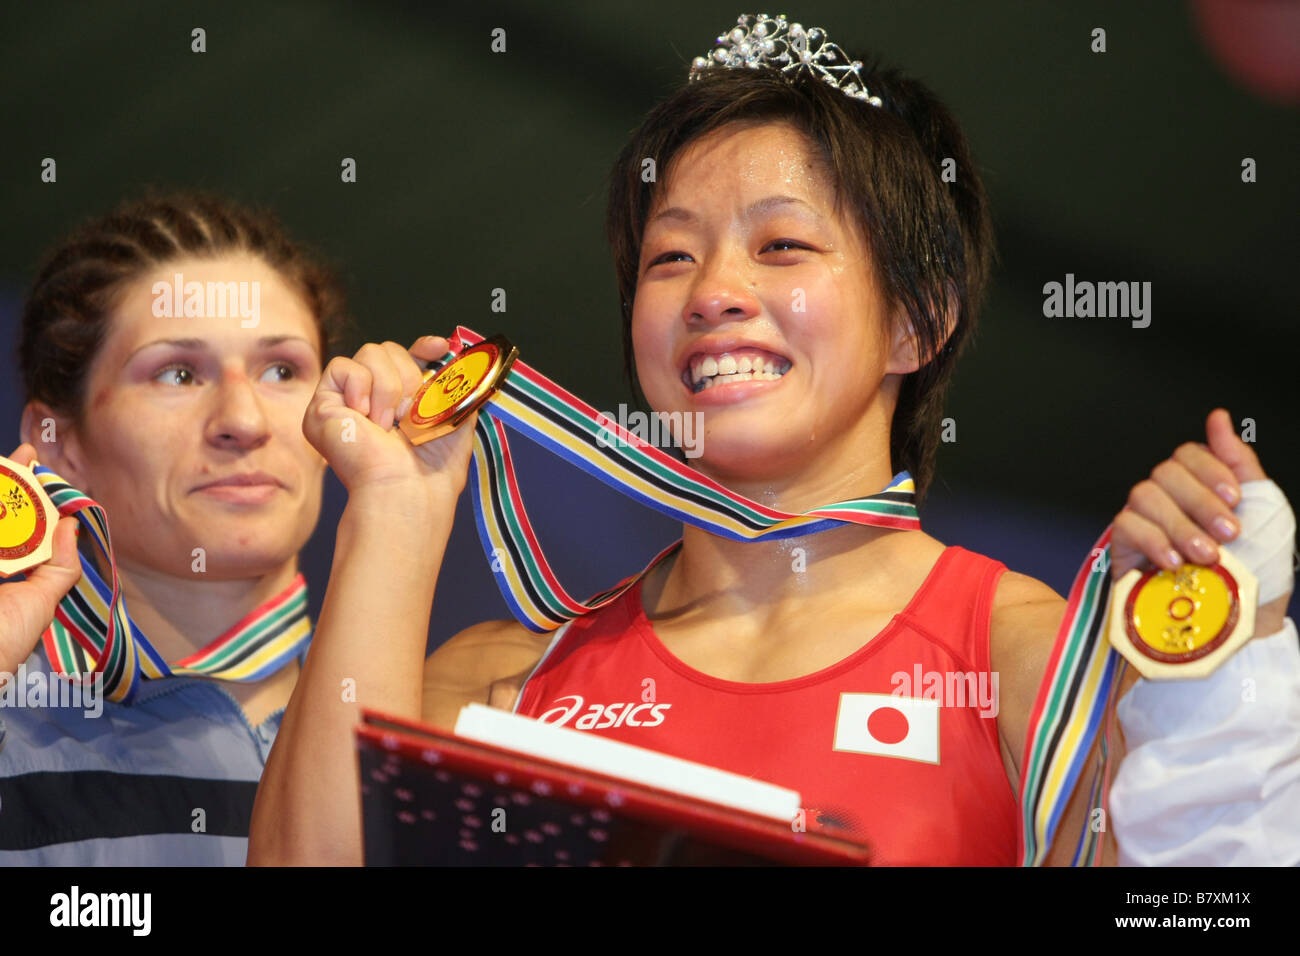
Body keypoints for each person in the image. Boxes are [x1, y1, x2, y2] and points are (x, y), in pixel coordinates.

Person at [248, 15, 1296, 866]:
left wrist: (1224, 659)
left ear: (915, 321)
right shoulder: (498, 683)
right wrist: (394, 509)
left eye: (782, 244)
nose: (713, 294)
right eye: (669, 259)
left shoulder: (1031, 663)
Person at [0, 192, 351, 864]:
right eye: (179, 373)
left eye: (282, 369)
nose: (243, 420)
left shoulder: (427, 733)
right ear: (59, 445)